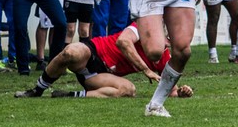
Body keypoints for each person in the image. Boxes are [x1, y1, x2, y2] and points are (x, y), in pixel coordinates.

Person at [15, 24, 193, 99]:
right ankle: (37, 90)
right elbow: (123, 41)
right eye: (167, 37)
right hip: (94, 52)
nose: (168, 42)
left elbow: (171, 91)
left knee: (129, 90)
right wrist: (145, 69)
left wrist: (182, 92)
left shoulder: (164, 57)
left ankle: (70, 95)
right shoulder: (143, 28)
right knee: (71, 52)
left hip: (100, 75)